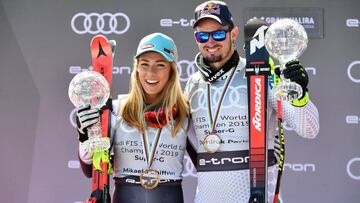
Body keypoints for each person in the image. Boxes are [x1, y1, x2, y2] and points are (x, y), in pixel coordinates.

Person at [184, 1, 320, 202]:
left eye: (219, 34)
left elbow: (309, 129)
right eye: (202, 35)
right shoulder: (193, 84)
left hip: (256, 196)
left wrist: (300, 96)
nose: (210, 42)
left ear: (234, 34)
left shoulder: (260, 72)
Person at [75, 33, 191, 203]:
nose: (150, 73)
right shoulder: (116, 110)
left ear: (171, 70)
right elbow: (90, 170)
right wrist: (85, 137)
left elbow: (207, 163)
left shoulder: (184, 114)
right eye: (144, 65)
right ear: (136, 68)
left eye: (160, 65)